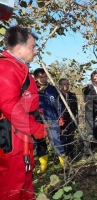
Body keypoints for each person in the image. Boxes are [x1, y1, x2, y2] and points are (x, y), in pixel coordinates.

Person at [0, 26, 48, 199]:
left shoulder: (20, 69)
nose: (35, 51)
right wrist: (35, 128)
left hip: (22, 138)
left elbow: (27, 103)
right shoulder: (6, 67)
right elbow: (9, 106)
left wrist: (40, 119)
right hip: (12, 141)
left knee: (25, 183)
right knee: (12, 187)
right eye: (32, 46)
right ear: (19, 49)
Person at [34, 68, 66, 171]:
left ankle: (63, 162)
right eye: (40, 77)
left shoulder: (52, 89)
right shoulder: (32, 88)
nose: (43, 79)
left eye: (45, 76)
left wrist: (61, 116)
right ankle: (43, 163)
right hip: (37, 120)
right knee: (39, 141)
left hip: (52, 118)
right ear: (35, 78)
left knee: (56, 139)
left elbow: (58, 104)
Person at [58, 78, 78, 159]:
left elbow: (76, 109)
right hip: (61, 120)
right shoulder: (58, 96)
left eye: (67, 84)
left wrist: (76, 120)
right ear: (60, 85)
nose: (66, 86)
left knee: (71, 137)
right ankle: (63, 154)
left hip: (71, 119)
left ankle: (71, 154)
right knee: (62, 137)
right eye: (64, 84)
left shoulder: (72, 95)